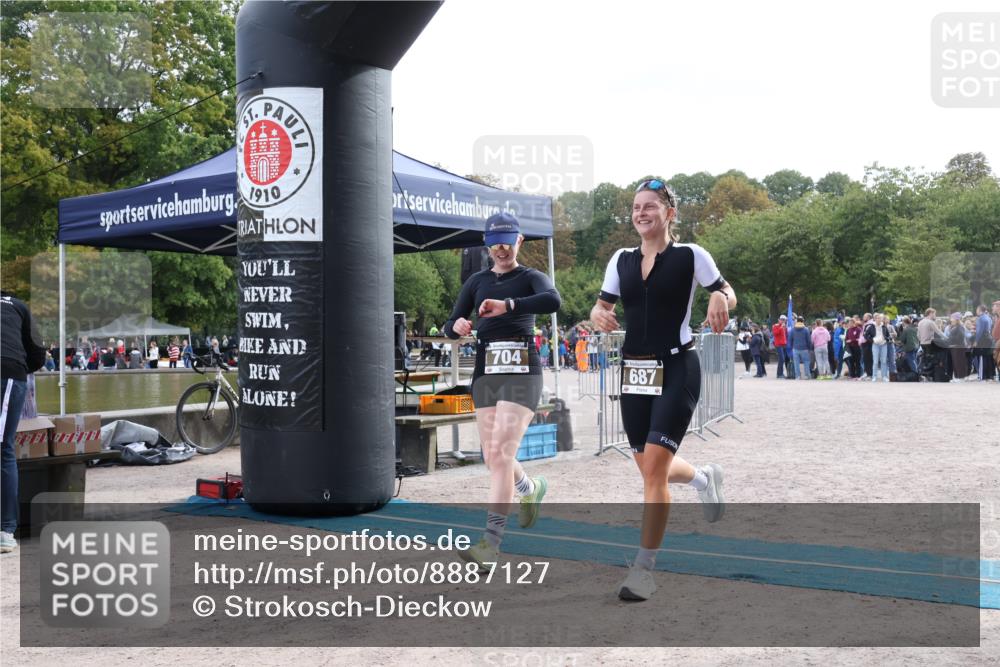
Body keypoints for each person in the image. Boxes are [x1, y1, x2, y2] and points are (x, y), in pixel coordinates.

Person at [590, 178, 734, 601]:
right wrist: (598, 313)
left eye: (650, 206)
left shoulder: (692, 256)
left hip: (677, 367)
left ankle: (644, 570)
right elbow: (603, 304)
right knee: (653, 468)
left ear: (669, 213)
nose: (641, 213)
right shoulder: (620, 260)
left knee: (654, 470)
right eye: (636, 207)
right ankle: (704, 478)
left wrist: (721, 298)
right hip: (634, 372)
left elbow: (726, 291)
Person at [443, 212, 561, 573]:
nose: (502, 249)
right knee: (493, 457)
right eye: (495, 243)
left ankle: (490, 544)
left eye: (508, 242)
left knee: (503, 453)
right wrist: (457, 326)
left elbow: (553, 300)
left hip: (522, 372)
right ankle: (528, 488)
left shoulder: (530, 277)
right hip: (486, 374)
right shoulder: (476, 281)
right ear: (487, 244)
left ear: (519, 241)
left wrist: (508, 305)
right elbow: (450, 324)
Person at [1, 291, 47, 553]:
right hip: (9, 372)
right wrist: (20, 367)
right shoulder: (18, 307)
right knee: (3, 450)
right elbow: (38, 353)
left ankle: (5, 528)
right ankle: (5, 530)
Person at [869, 313, 891, 382]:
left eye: (880, 318)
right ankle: (874, 376)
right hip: (875, 345)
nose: (879, 319)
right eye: (877, 318)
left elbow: (888, 335)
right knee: (875, 361)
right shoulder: (871, 326)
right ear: (875, 319)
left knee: (884, 361)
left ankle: (884, 376)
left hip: (883, 345)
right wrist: (872, 340)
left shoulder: (884, 326)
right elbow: (866, 335)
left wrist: (887, 339)